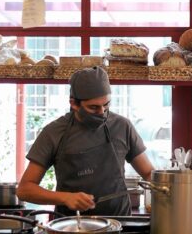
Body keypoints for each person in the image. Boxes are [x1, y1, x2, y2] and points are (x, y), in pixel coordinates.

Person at [17, 65, 153, 216]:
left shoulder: (122, 126)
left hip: (120, 223)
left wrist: (168, 187)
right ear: (74, 104)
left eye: (106, 105)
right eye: (93, 107)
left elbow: (148, 173)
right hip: (71, 225)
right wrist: (65, 198)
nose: (102, 113)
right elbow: (24, 190)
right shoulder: (54, 133)